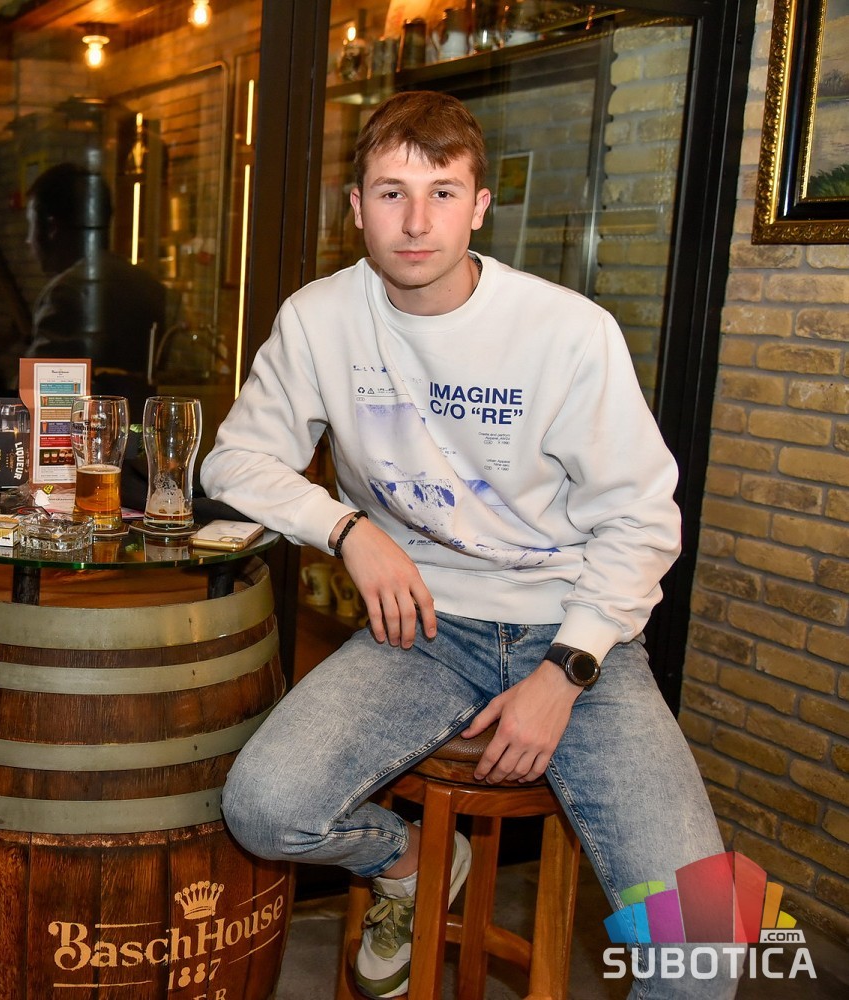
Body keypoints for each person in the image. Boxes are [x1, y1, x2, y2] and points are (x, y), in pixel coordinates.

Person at [200, 92, 730, 999]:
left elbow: (642, 518)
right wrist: (348, 530)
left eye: (442, 193)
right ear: (354, 207)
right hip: (423, 629)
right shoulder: (320, 318)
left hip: (576, 633)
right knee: (264, 810)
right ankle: (410, 865)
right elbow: (234, 460)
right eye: (391, 193)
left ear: (479, 207)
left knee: (702, 952)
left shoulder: (566, 332)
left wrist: (565, 672)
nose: (416, 222)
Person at [23, 162, 168, 409]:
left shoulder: (65, 293)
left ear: (51, 228)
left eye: (31, 225)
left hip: (88, 427)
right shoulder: (151, 287)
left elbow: (43, 397)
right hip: (142, 422)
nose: (28, 240)